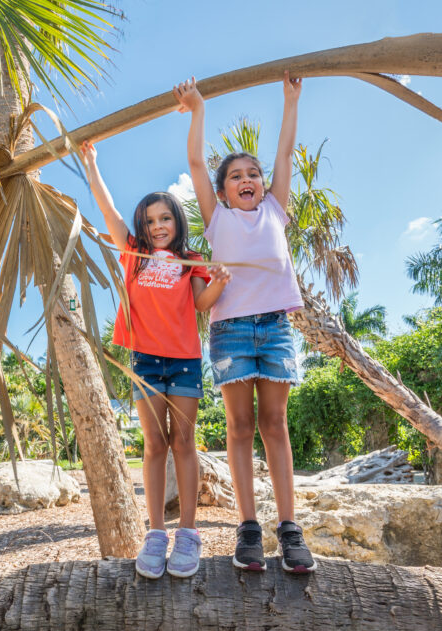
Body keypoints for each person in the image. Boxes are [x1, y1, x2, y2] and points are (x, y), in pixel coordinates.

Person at [173, 73, 317, 573]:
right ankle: (249, 528)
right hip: (231, 329)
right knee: (239, 426)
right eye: (237, 176)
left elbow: (286, 151)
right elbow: (195, 161)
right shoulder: (218, 221)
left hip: (275, 326)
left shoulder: (276, 209)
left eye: (253, 173)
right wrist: (198, 109)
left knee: (275, 424)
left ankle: (289, 528)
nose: (249, 179)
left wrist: (290, 99)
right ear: (223, 191)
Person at [80, 140, 231, 579]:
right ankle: (156, 533)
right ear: (141, 228)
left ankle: (188, 532)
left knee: (184, 443)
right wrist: (92, 166)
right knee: (154, 445)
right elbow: (107, 211)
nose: (158, 225)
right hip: (144, 360)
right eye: (150, 221)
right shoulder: (134, 254)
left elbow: (203, 304)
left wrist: (219, 280)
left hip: (184, 360)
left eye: (165, 218)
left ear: (176, 222)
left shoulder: (191, 261)